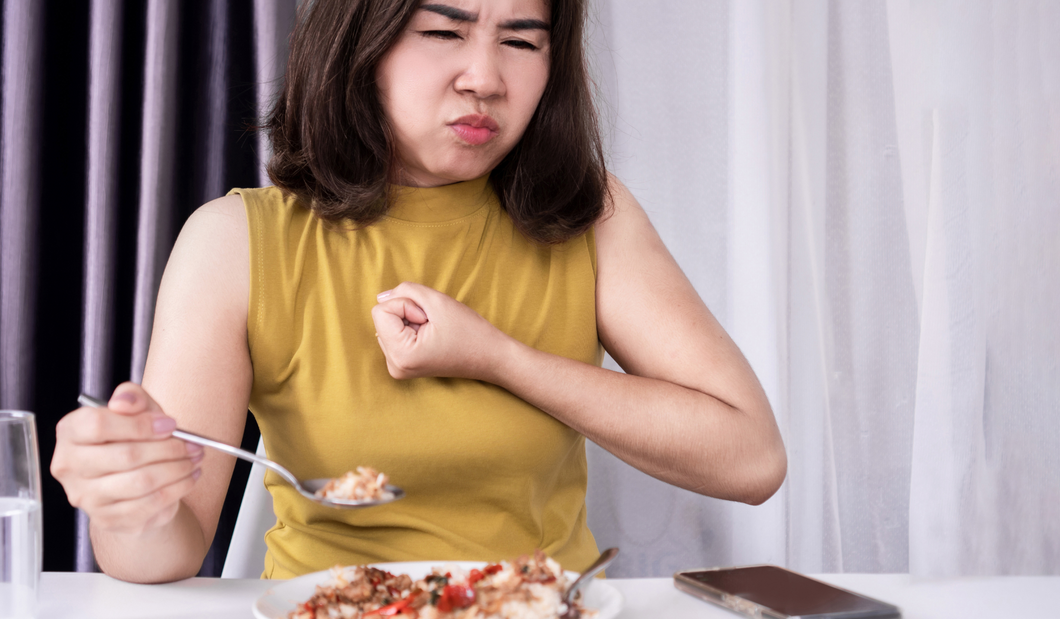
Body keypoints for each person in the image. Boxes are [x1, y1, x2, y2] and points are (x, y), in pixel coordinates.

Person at [50, 0, 786, 583]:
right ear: (360, 39)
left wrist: (501, 358)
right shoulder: (236, 242)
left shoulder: (591, 219)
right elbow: (167, 553)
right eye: (444, 30)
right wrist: (129, 505)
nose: (485, 77)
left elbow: (751, 458)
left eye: (523, 41)